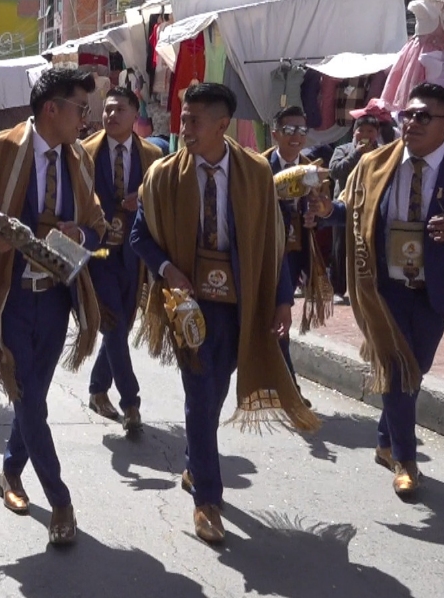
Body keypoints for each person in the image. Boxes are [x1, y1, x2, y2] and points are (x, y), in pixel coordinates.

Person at [131, 83, 318, 544]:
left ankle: (197, 463)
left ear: (221, 125)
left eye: (194, 120)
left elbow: (272, 241)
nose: (183, 128)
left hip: (242, 303)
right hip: (188, 306)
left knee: (214, 392)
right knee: (199, 394)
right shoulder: (163, 175)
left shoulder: (255, 173)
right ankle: (207, 502)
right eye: (182, 118)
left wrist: (281, 299)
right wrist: (168, 269)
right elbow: (140, 236)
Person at [308, 82, 444, 498]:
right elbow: (351, 212)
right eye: (408, 114)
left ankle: (385, 438)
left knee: (415, 369)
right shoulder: (373, 163)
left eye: (423, 116)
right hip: (381, 287)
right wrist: (330, 211)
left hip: (435, 291)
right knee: (399, 369)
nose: (412, 123)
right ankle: (405, 458)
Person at [0, 67, 106, 546]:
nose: (87, 117)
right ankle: (59, 499)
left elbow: (96, 226)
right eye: (80, 107)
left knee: (30, 395)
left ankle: (9, 473)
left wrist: (83, 234)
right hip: (6, 299)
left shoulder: (79, 160)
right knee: (29, 399)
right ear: (52, 109)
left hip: (57, 300)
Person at [80, 87, 162, 432]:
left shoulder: (153, 155)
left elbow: (162, 200)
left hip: (134, 255)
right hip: (97, 255)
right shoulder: (83, 153)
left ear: (134, 113)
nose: (111, 115)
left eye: (119, 110)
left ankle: (99, 389)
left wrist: (141, 198)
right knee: (111, 323)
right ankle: (131, 401)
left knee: (121, 328)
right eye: (107, 109)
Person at [263, 106, 320, 408]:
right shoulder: (259, 168)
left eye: (301, 130)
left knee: (278, 319)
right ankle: (289, 390)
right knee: (278, 319)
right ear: (275, 133)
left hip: (297, 255)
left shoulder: (312, 169)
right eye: (289, 130)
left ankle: (276, 385)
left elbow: (323, 210)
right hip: (269, 255)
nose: (296, 137)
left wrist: (315, 216)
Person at [328, 114, 385, 304]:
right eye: (362, 131)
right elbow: (335, 171)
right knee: (340, 247)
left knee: (368, 247)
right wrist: (356, 155)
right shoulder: (342, 150)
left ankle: (368, 289)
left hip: (370, 206)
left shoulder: (382, 152)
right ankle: (337, 288)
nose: (365, 135)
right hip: (344, 204)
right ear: (355, 132)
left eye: (370, 131)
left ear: (376, 134)